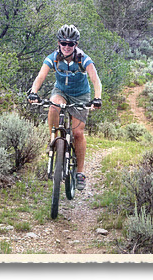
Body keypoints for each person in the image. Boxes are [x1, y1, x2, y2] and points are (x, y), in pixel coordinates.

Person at [28, 24, 102, 190]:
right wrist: (33, 92)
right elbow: (40, 76)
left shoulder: (84, 59)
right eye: (63, 43)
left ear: (76, 45)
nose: (67, 47)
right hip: (61, 91)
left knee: (77, 133)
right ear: (59, 43)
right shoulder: (53, 58)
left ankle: (80, 173)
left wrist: (97, 98)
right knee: (53, 106)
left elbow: (96, 80)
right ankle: (53, 139)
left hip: (81, 95)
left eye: (71, 44)